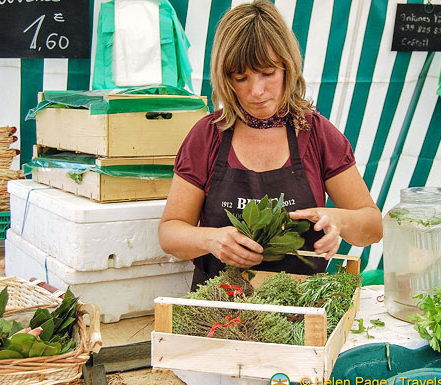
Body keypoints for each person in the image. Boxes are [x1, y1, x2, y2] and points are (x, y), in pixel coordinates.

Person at [158, 0, 382, 289]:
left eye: (268, 73)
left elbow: (373, 227)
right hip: (215, 312)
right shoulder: (207, 136)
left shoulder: (317, 135)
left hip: (301, 311)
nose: (257, 91)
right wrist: (211, 239)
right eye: (241, 78)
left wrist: (338, 219)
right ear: (226, 79)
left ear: (287, 67)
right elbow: (169, 233)